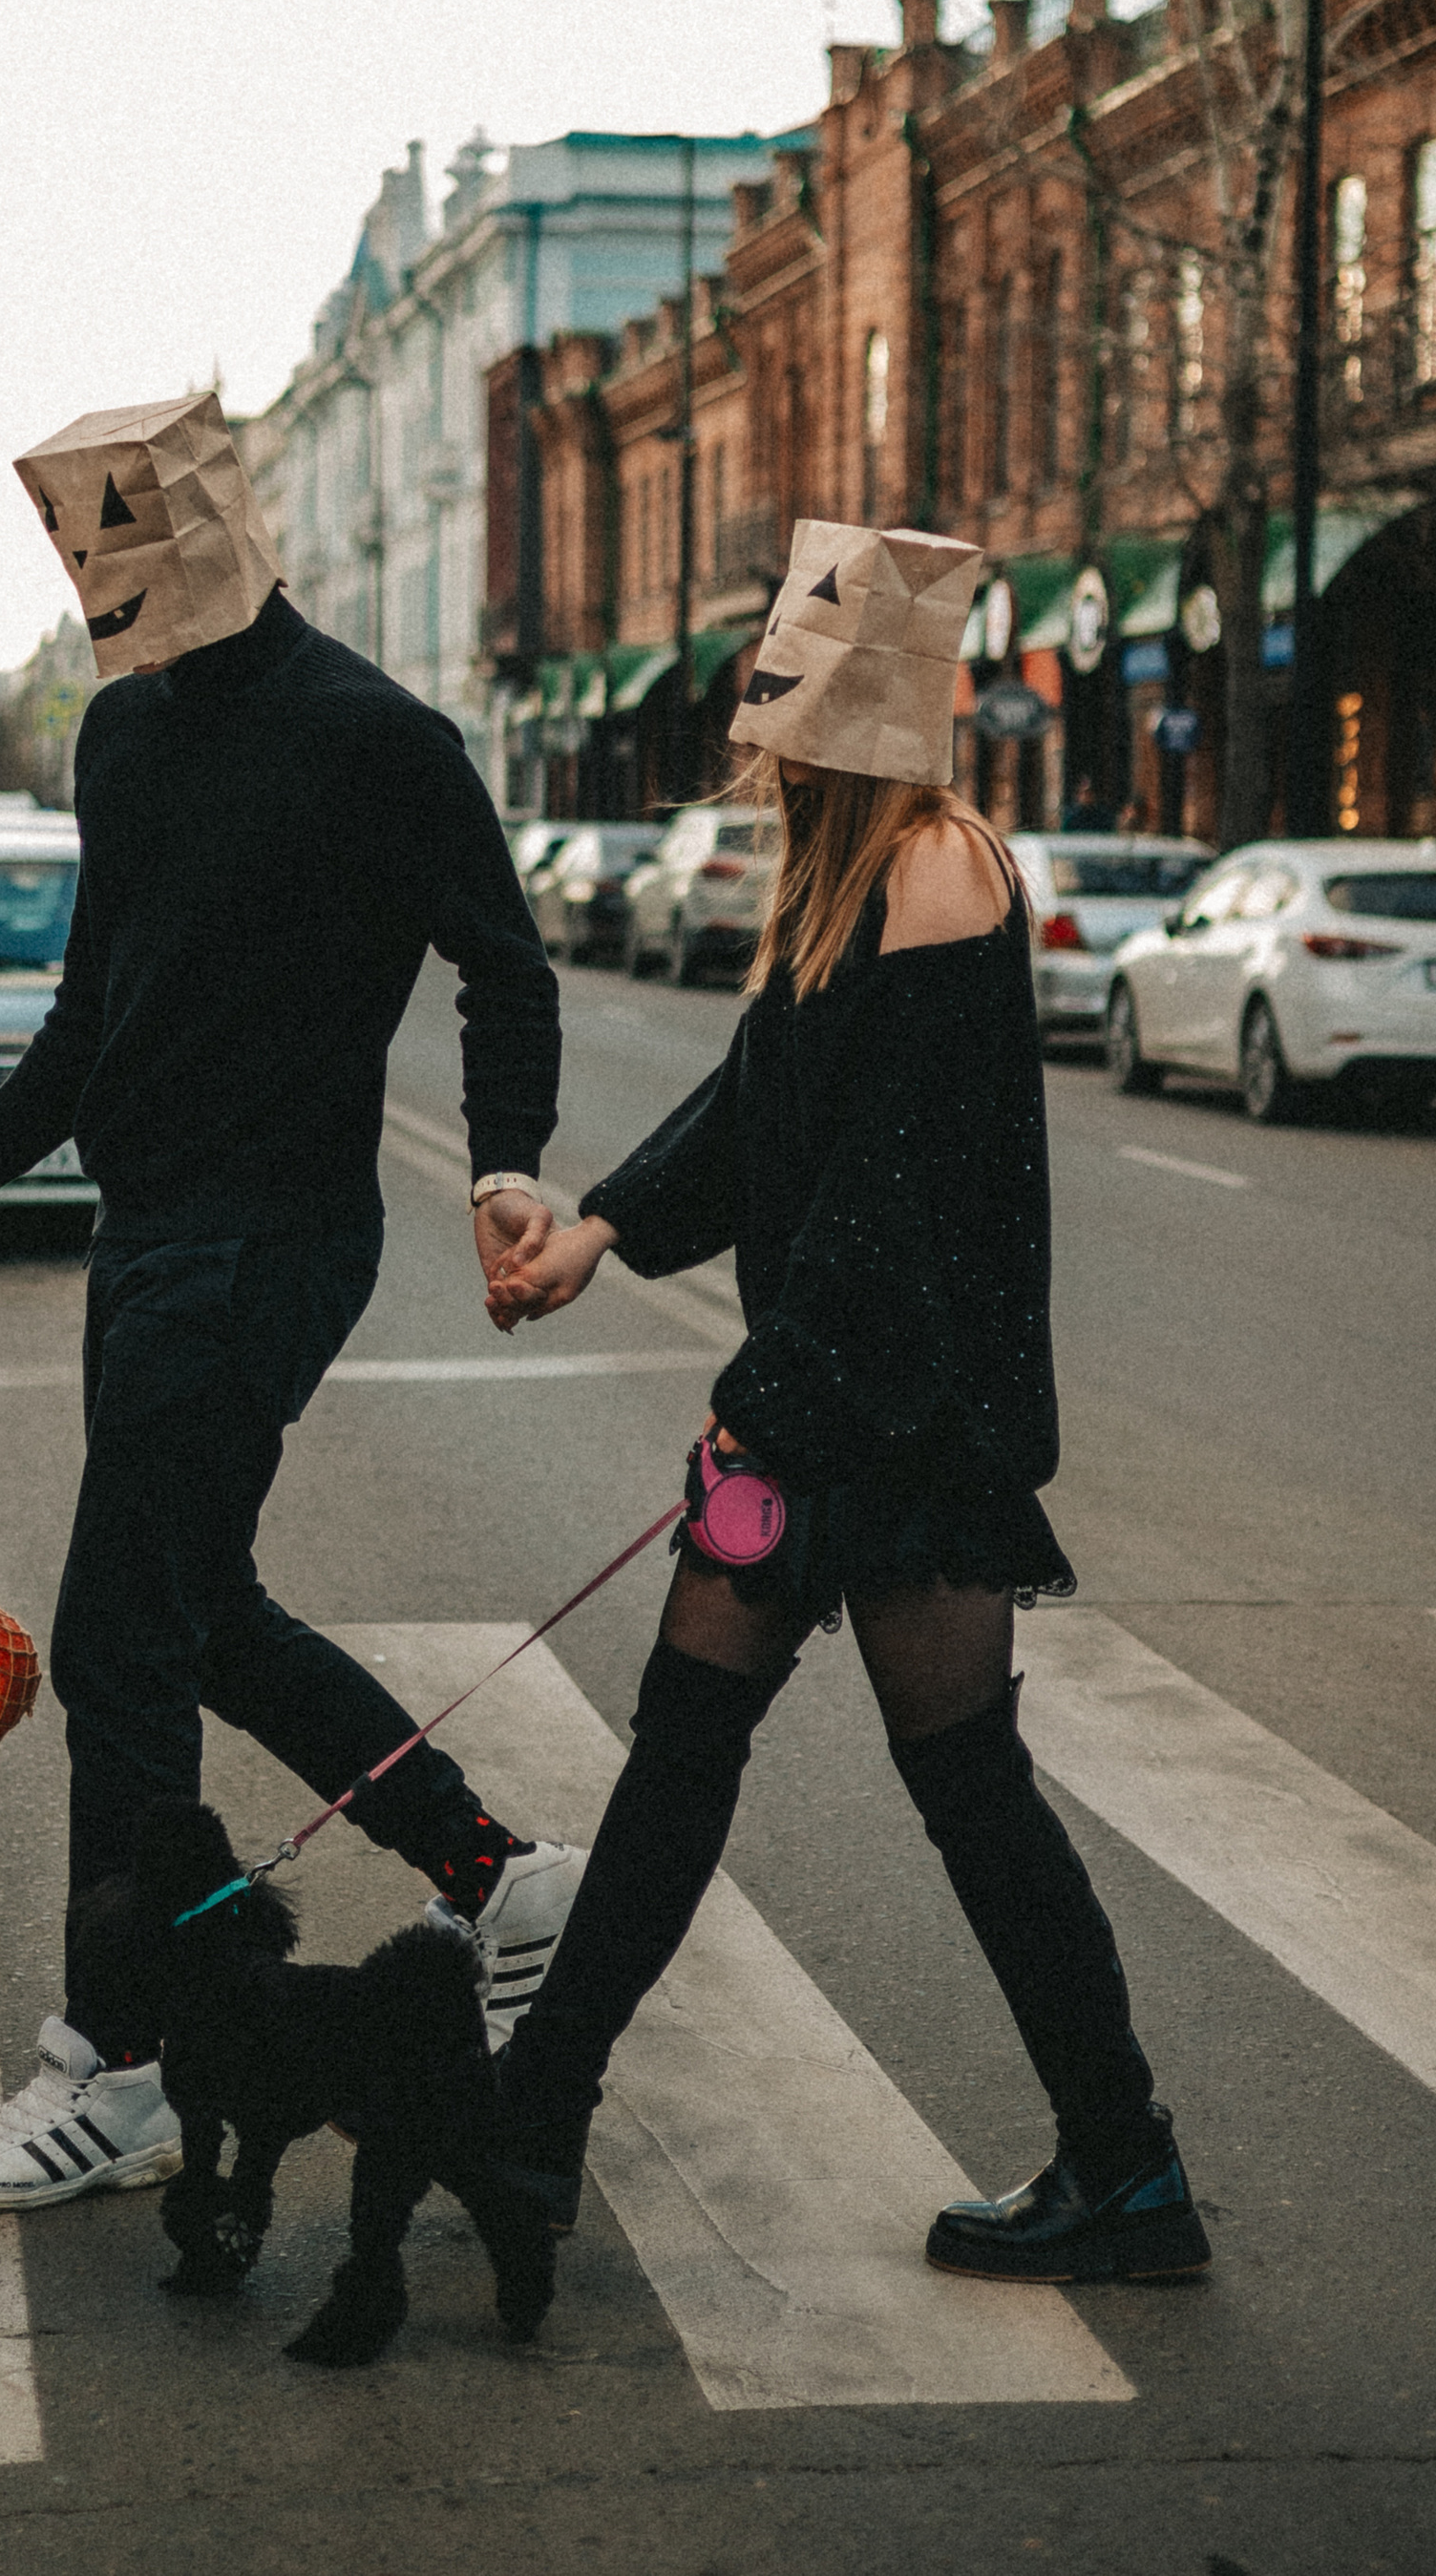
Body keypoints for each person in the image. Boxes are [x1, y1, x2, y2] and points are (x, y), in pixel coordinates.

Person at [0, 389, 585, 2213]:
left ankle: (127, 2059)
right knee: (206, 1608)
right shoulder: (120, 737)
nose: (113, 587)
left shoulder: (377, 738)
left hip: (278, 1242)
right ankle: (494, 1868)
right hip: (148, 1235)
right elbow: (96, 1010)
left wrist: (503, 1167)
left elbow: (508, 964)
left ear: (218, 526)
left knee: (118, 1641)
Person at [483, 520, 1208, 2287]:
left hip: (895, 1419)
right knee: (834, 1767)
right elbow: (760, 1112)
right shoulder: (841, 875)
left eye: (791, 706)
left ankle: (539, 2123)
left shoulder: (941, 870)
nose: (769, 735)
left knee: (784, 1761)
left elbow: (895, 1197)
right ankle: (1123, 2168)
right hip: (869, 1414)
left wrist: (759, 1413)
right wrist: (596, 1226)